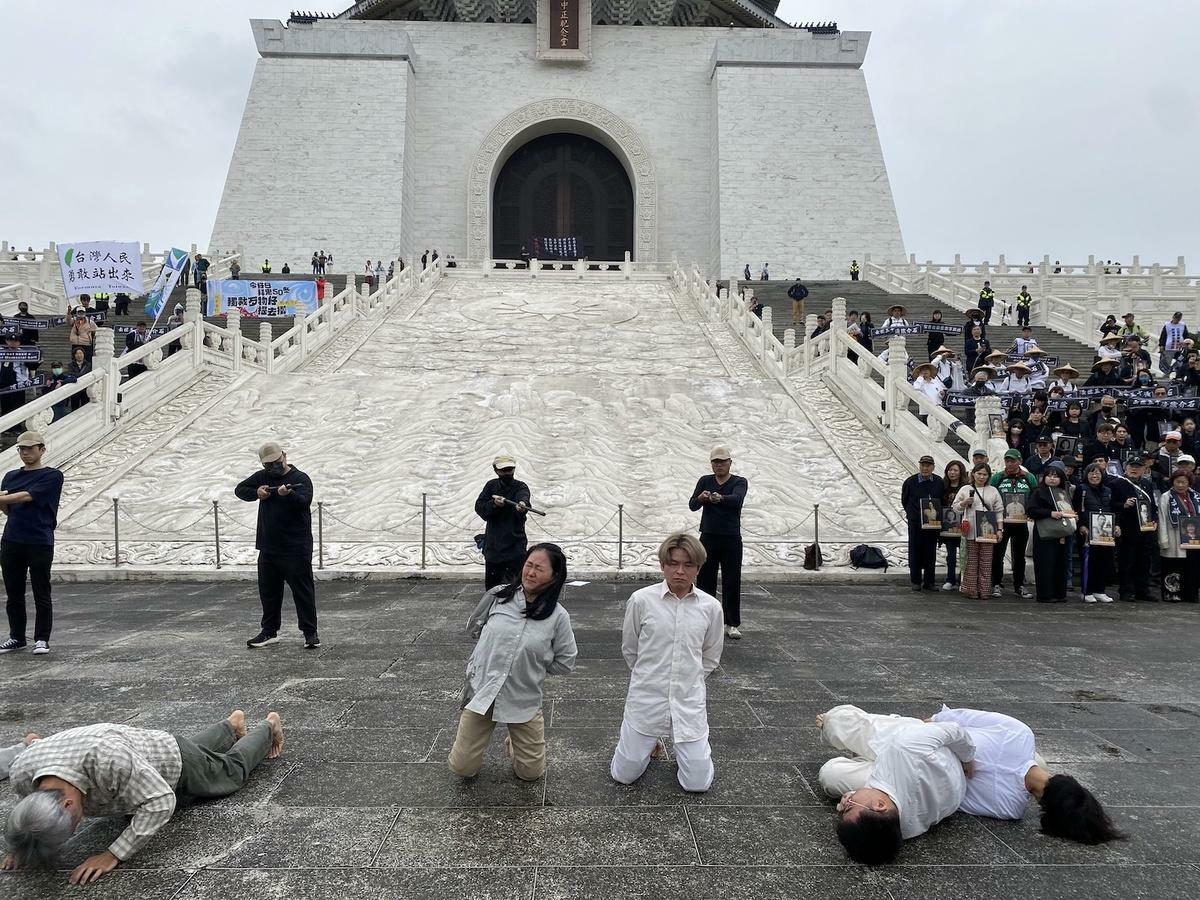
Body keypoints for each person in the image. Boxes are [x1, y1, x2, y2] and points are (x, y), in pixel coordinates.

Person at [0, 711, 284, 884]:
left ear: (67, 804)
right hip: (142, 750)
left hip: (171, 759)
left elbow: (161, 801)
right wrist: (24, 844)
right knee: (197, 753)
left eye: (69, 829)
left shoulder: (108, 762)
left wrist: (112, 854)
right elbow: (28, 812)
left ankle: (267, 727)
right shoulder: (24, 771)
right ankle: (230, 726)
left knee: (228, 773)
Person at [448, 543, 577, 781]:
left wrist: (534, 661)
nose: (531, 572)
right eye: (528, 565)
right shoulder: (498, 596)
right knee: (461, 768)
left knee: (530, 774)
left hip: (523, 696)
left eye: (539, 568)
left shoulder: (558, 616)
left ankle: (515, 742)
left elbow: (566, 661)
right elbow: (474, 627)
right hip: (484, 690)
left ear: (554, 575)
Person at [610, 532, 723, 793]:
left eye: (688, 565)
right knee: (623, 775)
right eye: (673, 563)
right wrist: (652, 676)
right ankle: (649, 743)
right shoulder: (641, 600)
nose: (679, 571)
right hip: (647, 698)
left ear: (698, 568)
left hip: (687, 699)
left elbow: (710, 656)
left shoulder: (711, 607)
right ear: (662, 565)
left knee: (697, 784)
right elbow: (631, 650)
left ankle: (692, 750)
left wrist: (686, 677)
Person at [815, 704, 975, 864]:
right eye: (849, 806)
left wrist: (852, 797)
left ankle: (860, 755)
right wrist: (968, 758)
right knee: (837, 722)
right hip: (911, 744)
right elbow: (954, 730)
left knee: (830, 776)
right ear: (879, 805)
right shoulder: (906, 747)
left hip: (941, 784)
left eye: (843, 810)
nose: (843, 803)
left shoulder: (893, 827)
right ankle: (836, 727)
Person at [234, 442, 319, 649]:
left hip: (296, 547)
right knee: (269, 592)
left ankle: (310, 633)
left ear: (285, 456)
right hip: (269, 547)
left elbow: (304, 501)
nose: (273, 467)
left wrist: (287, 495)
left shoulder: (300, 478)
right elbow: (240, 490)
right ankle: (269, 631)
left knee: (303, 592)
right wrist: (257, 492)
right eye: (268, 465)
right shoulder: (262, 477)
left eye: (276, 462)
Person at [0, 432, 64, 655]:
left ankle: (42, 639)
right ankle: (17, 637)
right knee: (13, 593)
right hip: (12, 539)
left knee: (41, 591)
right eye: (21, 449)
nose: (25, 452)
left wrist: (4, 496)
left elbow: (27, 497)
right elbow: (6, 508)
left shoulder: (52, 476)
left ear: (42, 450)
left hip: (39, 540)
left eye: (30, 448)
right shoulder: (10, 476)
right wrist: (4, 498)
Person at [689, 446, 748, 639]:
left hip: (731, 537)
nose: (719, 465)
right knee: (705, 579)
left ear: (730, 462)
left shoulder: (739, 481)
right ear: (711, 464)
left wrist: (719, 498)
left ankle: (731, 623)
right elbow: (692, 505)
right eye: (716, 462)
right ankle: (705, 620)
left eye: (723, 461)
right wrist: (701, 497)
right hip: (708, 536)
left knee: (732, 580)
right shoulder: (705, 481)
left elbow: (737, 500)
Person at [474, 454, 531, 589]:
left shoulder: (520, 486)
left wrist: (522, 505)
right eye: (503, 470)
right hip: (494, 546)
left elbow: (523, 496)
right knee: (493, 589)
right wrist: (494, 505)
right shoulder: (490, 486)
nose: (507, 472)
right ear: (496, 470)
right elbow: (480, 507)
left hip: (515, 544)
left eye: (510, 469)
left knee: (518, 588)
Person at [990, 450, 1036, 598]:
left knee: (1019, 556)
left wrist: (1031, 512)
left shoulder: (1029, 478)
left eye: (1013, 461)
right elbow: (991, 496)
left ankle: (1019, 585)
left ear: (1020, 461)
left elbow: (1035, 496)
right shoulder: (998, 477)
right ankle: (996, 583)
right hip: (1001, 523)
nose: (1009, 464)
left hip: (1021, 523)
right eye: (1007, 460)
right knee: (998, 554)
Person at [1026, 461, 1075, 602]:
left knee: (1061, 562)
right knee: (1045, 563)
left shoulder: (1063, 493)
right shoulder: (1038, 491)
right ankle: (1045, 594)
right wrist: (1050, 513)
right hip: (1045, 532)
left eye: (1055, 476)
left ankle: (1059, 593)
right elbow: (1031, 510)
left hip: (1062, 531)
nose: (1052, 479)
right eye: (1049, 476)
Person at [955, 463, 1004, 599]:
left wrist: (1000, 529)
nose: (981, 477)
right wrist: (964, 503)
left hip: (988, 530)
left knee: (986, 561)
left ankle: (984, 590)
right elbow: (955, 508)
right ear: (973, 474)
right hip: (970, 529)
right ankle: (971, 590)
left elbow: (999, 511)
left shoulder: (993, 490)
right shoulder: (966, 489)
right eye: (979, 473)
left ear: (988, 476)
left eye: (984, 474)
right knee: (971, 561)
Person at [1111, 455, 1155, 602]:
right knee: (1127, 562)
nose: (1134, 469)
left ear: (1144, 469)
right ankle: (1126, 590)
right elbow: (1110, 505)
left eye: (1138, 466)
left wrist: (1154, 521)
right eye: (1131, 466)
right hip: (1127, 528)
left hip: (1145, 529)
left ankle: (1142, 590)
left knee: (1144, 562)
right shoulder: (1117, 483)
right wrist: (1123, 504)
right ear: (1125, 468)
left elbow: (1152, 505)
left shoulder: (1147, 484)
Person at [901, 455, 943, 592]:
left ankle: (929, 582)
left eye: (928, 465)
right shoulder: (910, 481)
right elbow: (904, 500)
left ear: (933, 467)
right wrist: (912, 514)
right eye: (923, 465)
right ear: (919, 466)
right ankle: (916, 580)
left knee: (930, 552)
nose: (925, 468)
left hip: (932, 524)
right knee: (915, 551)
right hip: (915, 523)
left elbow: (941, 500)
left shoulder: (938, 482)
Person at [1157, 471, 1200, 602]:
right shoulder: (1166, 496)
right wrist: (1163, 540)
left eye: (1184, 482)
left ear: (1189, 483)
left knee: (1192, 566)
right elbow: (1162, 518)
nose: (1180, 485)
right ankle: (1172, 593)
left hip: (1193, 538)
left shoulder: (1196, 496)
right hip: (1174, 536)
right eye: (1178, 482)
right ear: (1173, 482)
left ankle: (1191, 593)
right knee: (1173, 565)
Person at [940, 461, 967, 590]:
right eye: (950, 470)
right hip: (948, 525)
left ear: (961, 472)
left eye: (955, 470)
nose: (952, 473)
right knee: (950, 554)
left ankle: (962, 580)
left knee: (964, 554)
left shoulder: (966, 487)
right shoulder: (943, 487)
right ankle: (950, 579)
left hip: (963, 525)